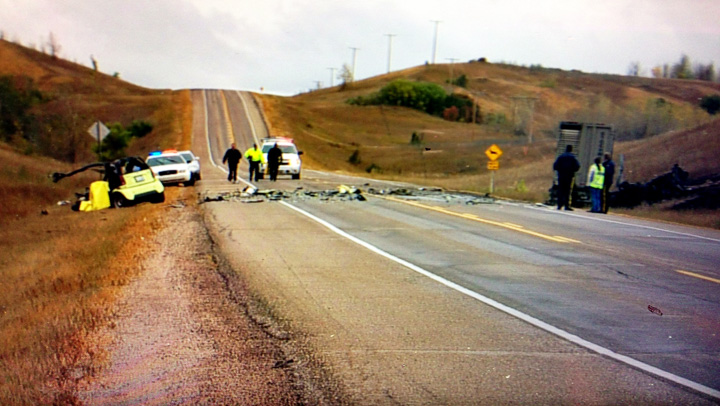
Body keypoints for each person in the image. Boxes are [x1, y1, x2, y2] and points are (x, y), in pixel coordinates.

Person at [553, 145, 581, 211]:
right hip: (569, 176)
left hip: (561, 176)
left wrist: (560, 170)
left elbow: (555, 166)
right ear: (571, 150)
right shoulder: (573, 157)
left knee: (561, 191)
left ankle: (559, 205)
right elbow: (577, 166)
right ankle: (566, 205)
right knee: (567, 191)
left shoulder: (561, 157)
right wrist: (572, 170)